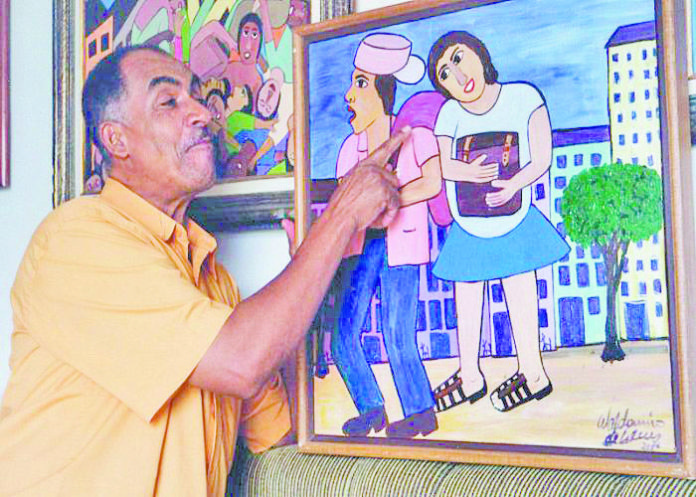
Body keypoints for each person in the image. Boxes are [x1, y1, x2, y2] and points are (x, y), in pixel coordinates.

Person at [0, 45, 407, 496]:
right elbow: (241, 361)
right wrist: (340, 216)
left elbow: (279, 432)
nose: (203, 113)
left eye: (196, 96)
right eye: (169, 102)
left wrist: (319, 264)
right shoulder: (76, 238)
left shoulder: (216, 284)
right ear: (116, 141)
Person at [427, 31, 569, 413]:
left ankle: (534, 374)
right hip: (470, 221)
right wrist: (469, 173)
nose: (458, 76)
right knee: (466, 289)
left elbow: (542, 157)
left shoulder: (523, 98)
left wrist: (513, 185)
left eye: (459, 58)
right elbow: (441, 164)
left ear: (479, 54)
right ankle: (470, 375)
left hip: (514, 214)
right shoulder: (450, 115)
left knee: (519, 283)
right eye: (444, 73)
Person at [331, 33, 442, 439]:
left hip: (402, 243)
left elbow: (432, 183)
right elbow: (346, 198)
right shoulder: (350, 148)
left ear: (383, 91)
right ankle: (371, 408)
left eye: (360, 83)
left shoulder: (418, 137)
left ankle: (420, 411)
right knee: (343, 335)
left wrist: (387, 198)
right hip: (359, 249)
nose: (349, 95)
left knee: (397, 332)